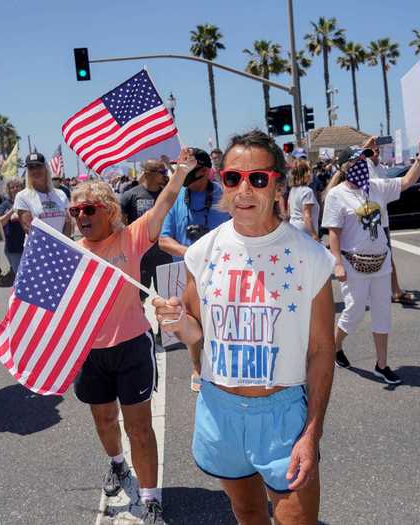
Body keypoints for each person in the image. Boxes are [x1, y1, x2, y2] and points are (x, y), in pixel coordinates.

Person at [153, 130, 336, 524]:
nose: (244, 189)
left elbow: (322, 350)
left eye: (258, 178)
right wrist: (177, 322)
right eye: (233, 178)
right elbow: (197, 336)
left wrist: (311, 432)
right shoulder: (202, 253)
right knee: (248, 512)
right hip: (220, 411)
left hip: (283, 415)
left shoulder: (310, 256)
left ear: (277, 183)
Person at [71, 149, 196, 524]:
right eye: (76, 212)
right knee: (104, 420)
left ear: (108, 210)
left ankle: (150, 497)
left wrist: (181, 172)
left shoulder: (132, 238)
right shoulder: (71, 252)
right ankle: (116, 464)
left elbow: (163, 204)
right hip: (91, 354)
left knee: (139, 428)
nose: (82, 218)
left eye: (89, 209)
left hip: (131, 347)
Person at [322, 144, 420, 384]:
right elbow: (334, 233)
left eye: (365, 160)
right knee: (355, 311)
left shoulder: (377, 187)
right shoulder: (337, 195)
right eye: (359, 160)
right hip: (353, 264)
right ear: (347, 165)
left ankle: (382, 364)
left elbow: (406, 182)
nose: (364, 164)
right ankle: (335, 347)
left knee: (383, 313)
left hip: (381, 262)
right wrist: (337, 264)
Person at [159, 148, 230, 392]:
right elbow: (163, 240)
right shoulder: (175, 197)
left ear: (205, 171)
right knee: (193, 326)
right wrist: (189, 253)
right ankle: (197, 366)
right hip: (189, 274)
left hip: (223, 273)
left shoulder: (225, 196)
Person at [363, 136, 417, 305]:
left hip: (382, 220)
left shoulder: (381, 168)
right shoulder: (365, 165)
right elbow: (358, 157)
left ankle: (394, 290)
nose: (376, 150)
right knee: (373, 256)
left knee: (386, 256)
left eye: (377, 147)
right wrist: (367, 145)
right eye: (372, 148)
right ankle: (387, 291)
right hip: (371, 219)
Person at [120, 159, 173, 301]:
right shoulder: (130, 195)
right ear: (148, 174)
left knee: (167, 299)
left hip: (164, 256)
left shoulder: (168, 196)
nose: (165, 175)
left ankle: (164, 325)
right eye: (161, 172)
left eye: (165, 171)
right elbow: (121, 226)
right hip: (139, 258)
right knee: (137, 299)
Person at [13, 153, 72, 236]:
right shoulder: (22, 196)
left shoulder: (61, 194)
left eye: (38, 166)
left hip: (60, 247)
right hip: (38, 247)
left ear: (46, 168)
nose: (35, 170)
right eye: (31, 167)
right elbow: (28, 228)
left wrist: (63, 245)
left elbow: (68, 222)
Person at [0, 178, 26, 273]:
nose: (15, 189)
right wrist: (12, 211)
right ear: (8, 190)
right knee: (20, 276)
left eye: (18, 186)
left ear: (22, 187)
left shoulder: (28, 202)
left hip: (29, 245)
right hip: (13, 247)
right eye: (12, 187)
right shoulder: (5, 204)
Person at [287, 159, 320, 240]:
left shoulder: (293, 190)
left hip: (293, 226)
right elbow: (307, 216)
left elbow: (289, 212)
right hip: (304, 230)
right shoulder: (307, 191)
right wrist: (314, 235)